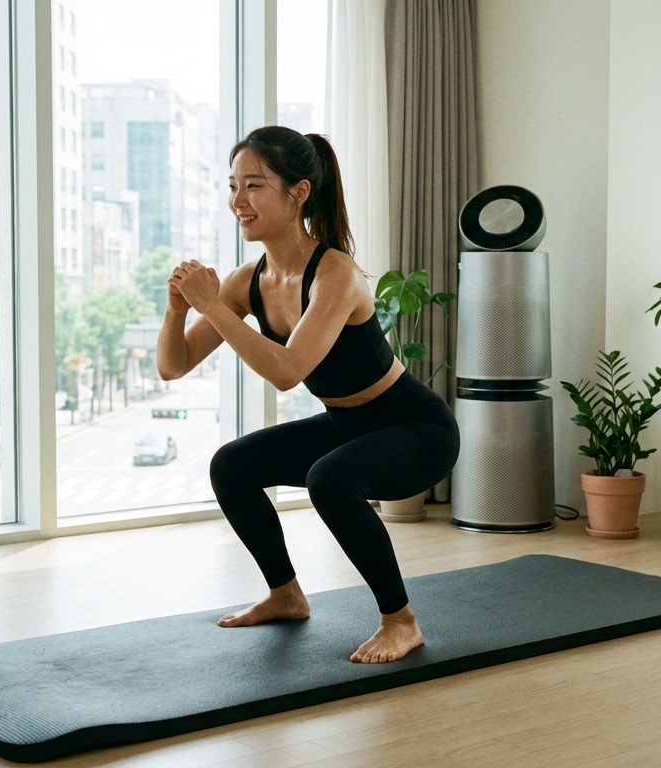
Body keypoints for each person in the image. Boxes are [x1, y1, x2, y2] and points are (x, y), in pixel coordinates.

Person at [157, 126, 461, 664]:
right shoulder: (247, 281)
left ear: (298, 193)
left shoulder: (336, 273)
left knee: (330, 478)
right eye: (233, 186)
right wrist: (179, 308)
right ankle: (285, 594)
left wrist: (213, 307)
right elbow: (173, 366)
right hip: (347, 425)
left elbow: (287, 371)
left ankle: (401, 621)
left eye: (254, 185)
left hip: (416, 430)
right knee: (233, 465)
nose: (238, 201)